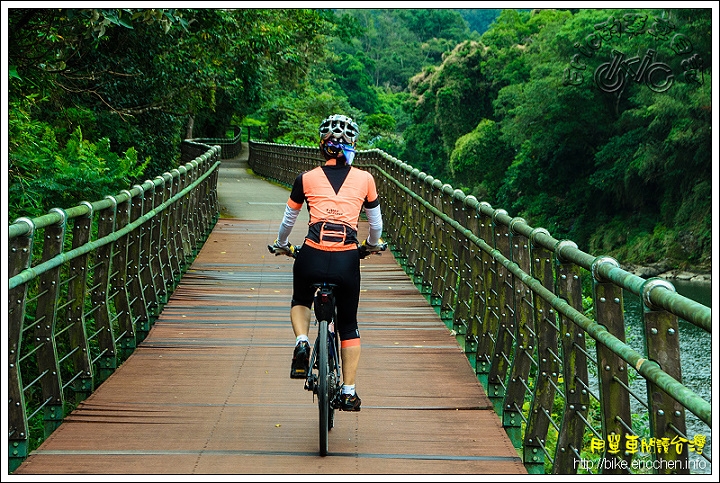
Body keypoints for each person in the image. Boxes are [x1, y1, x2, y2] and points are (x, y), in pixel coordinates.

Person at [270, 114, 384, 412]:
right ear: (352, 145)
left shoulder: (305, 179)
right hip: (347, 259)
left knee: (300, 299)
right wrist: (370, 246)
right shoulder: (366, 179)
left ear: (322, 146)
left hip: (311, 256)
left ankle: (303, 341)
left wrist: (283, 246)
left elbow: (286, 223)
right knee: (348, 325)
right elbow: (376, 226)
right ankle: (348, 391)